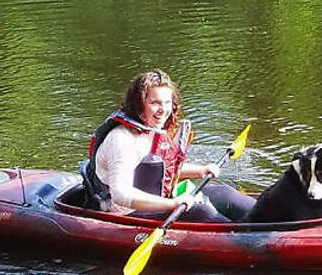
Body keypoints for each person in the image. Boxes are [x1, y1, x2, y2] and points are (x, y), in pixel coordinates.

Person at [80, 69, 255, 223]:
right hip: (128, 213)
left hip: (157, 200)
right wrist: (172, 204)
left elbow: (156, 170)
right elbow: (121, 194)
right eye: (155, 103)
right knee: (201, 212)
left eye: (167, 102)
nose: (163, 110)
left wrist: (201, 170)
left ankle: (271, 221)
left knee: (224, 193)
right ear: (139, 103)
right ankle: (247, 239)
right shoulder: (122, 139)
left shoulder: (151, 128)